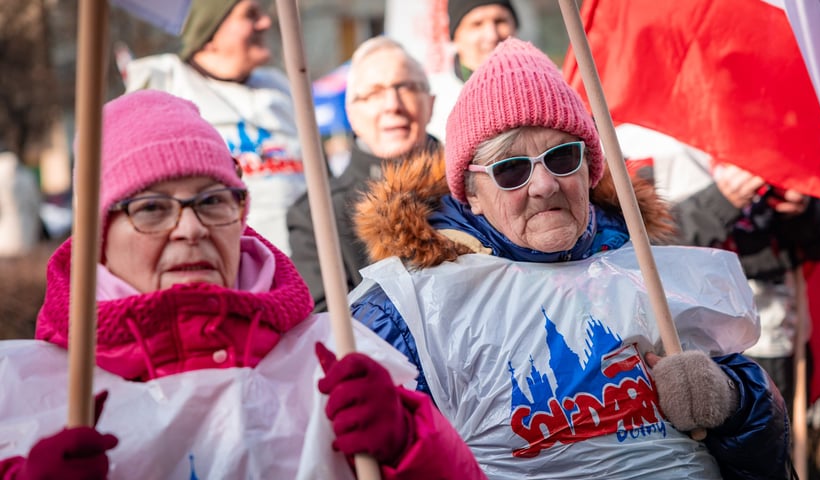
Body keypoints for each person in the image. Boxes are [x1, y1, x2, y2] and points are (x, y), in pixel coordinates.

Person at [348, 38, 791, 479]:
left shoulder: (644, 272)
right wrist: (407, 440)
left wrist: (730, 398)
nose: (543, 184)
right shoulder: (412, 310)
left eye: (562, 157)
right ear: (471, 194)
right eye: (511, 169)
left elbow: (768, 454)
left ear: (590, 167)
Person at [0, 90, 486, 480]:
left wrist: (409, 445)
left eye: (213, 201)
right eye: (151, 208)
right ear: (99, 237)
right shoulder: (25, 392)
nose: (190, 229)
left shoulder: (336, 353)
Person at [618, 124, 820, 417]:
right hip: (677, 343)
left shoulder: (775, 126)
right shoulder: (636, 138)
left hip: (771, 337)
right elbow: (627, 247)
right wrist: (718, 202)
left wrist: (803, 209)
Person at [124, 0, 304, 255]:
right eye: (250, 15)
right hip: (219, 268)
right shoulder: (168, 88)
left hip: (302, 270)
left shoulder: (281, 88)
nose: (265, 22)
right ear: (209, 34)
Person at [287, 37, 437, 313]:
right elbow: (327, 324)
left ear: (431, 103)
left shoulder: (477, 186)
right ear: (352, 114)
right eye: (374, 93)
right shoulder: (317, 215)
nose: (392, 104)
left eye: (405, 87)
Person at [426, 0, 518, 143]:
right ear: (455, 36)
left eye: (500, 21)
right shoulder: (435, 102)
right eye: (477, 24)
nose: (492, 35)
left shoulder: (546, 87)